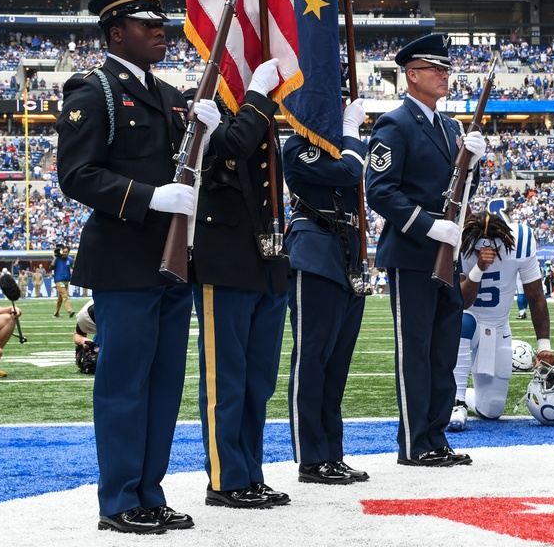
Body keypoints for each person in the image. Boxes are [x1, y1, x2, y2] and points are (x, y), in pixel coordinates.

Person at [56, 0, 205, 534]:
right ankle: (118, 500)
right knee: (124, 385)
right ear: (116, 33)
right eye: (147, 25)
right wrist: (148, 198)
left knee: (164, 385)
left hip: (174, 260)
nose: (160, 31)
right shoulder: (92, 90)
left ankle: (149, 491)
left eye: (161, 23)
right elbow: (77, 174)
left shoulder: (169, 95)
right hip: (125, 259)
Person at [365, 33, 485, 467]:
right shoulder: (394, 124)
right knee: (414, 350)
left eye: (446, 68)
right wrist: (430, 226)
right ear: (411, 75)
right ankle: (415, 443)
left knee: (443, 350)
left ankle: (435, 438)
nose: (444, 74)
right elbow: (379, 191)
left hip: (446, 256)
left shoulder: (451, 127)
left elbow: (459, 193)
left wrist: (475, 162)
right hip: (414, 253)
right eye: (435, 68)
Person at [190, 59, 293, 509]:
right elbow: (235, 143)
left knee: (258, 380)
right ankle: (226, 478)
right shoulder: (205, 104)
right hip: (224, 256)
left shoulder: (260, 110)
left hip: (266, 257)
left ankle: (250, 470)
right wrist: (255, 96)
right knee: (226, 378)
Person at [282, 94, 370, 485]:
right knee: (312, 359)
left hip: (344, 252)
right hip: (314, 249)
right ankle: (311, 457)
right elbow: (350, 171)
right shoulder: (298, 146)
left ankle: (332, 453)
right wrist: (351, 132)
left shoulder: (337, 144)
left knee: (337, 364)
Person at [449, 211, 554, 432]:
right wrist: (478, 268)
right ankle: (455, 401)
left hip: (497, 327)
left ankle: (453, 395)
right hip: (467, 323)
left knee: (492, 410)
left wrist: (544, 347)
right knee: (464, 320)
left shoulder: (520, 242)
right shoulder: (459, 241)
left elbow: (535, 294)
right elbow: (463, 303)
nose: (488, 251)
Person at [52, 245, 75, 318]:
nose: (64, 253)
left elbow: (73, 267)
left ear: (68, 252)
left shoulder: (70, 260)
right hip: (59, 280)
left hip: (66, 281)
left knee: (61, 298)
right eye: (63, 251)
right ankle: (70, 311)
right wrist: (55, 258)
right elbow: (51, 267)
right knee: (65, 295)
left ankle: (55, 313)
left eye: (66, 252)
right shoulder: (58, 259)